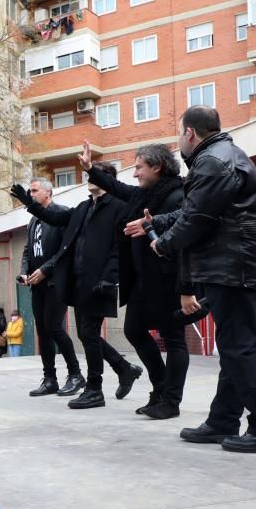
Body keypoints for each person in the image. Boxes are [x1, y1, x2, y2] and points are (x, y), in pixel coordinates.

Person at [137, 107, 256, 452]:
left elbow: (196, 219)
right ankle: (222, 420)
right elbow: (196, 209)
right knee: (234, 348)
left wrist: (163, 245)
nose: (179, 141)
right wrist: (157, 221)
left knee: (237, 349)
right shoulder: (220, 157)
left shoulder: (214, 161)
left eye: (179, 134)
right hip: (233, 266)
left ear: (190, 133)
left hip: (233, 268)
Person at [12, 150, 145, 410]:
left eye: (97, 175)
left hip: (101, 283)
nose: (90, 178)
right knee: (87, 335)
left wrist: (110, 278)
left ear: (109, 180)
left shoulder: (119, 207)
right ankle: (122, 368)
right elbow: (55, 217)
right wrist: (30, 204)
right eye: (89, 175)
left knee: (88, 333)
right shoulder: (84, 208)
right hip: (80, 283)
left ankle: (94, 388)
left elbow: (120, 249)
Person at [90, 144, 190, 420]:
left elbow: (183, 231)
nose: (134, 174)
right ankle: (160, 387)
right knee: (134, 330)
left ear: (157, 167)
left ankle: (171, 400)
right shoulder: (141, 195)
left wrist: (152, 225)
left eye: (138, 167)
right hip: (141, 281)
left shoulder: (176, 194)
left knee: (174, 340)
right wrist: (89, 168)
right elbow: (116, 187)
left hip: (168, 280)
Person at [16, 179, 85, 396]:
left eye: (35, 190)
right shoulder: (34, 221)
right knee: (42, 331)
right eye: (30, 191)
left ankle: (75, 375)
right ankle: (49, 379)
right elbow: (28, 250)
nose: (31, 194)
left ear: (48, 192)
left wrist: (45, 269)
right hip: (37, 285)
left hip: (57, 282)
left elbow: (65, 250)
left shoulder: (61, 214)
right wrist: (24, 271)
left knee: (54, 327)